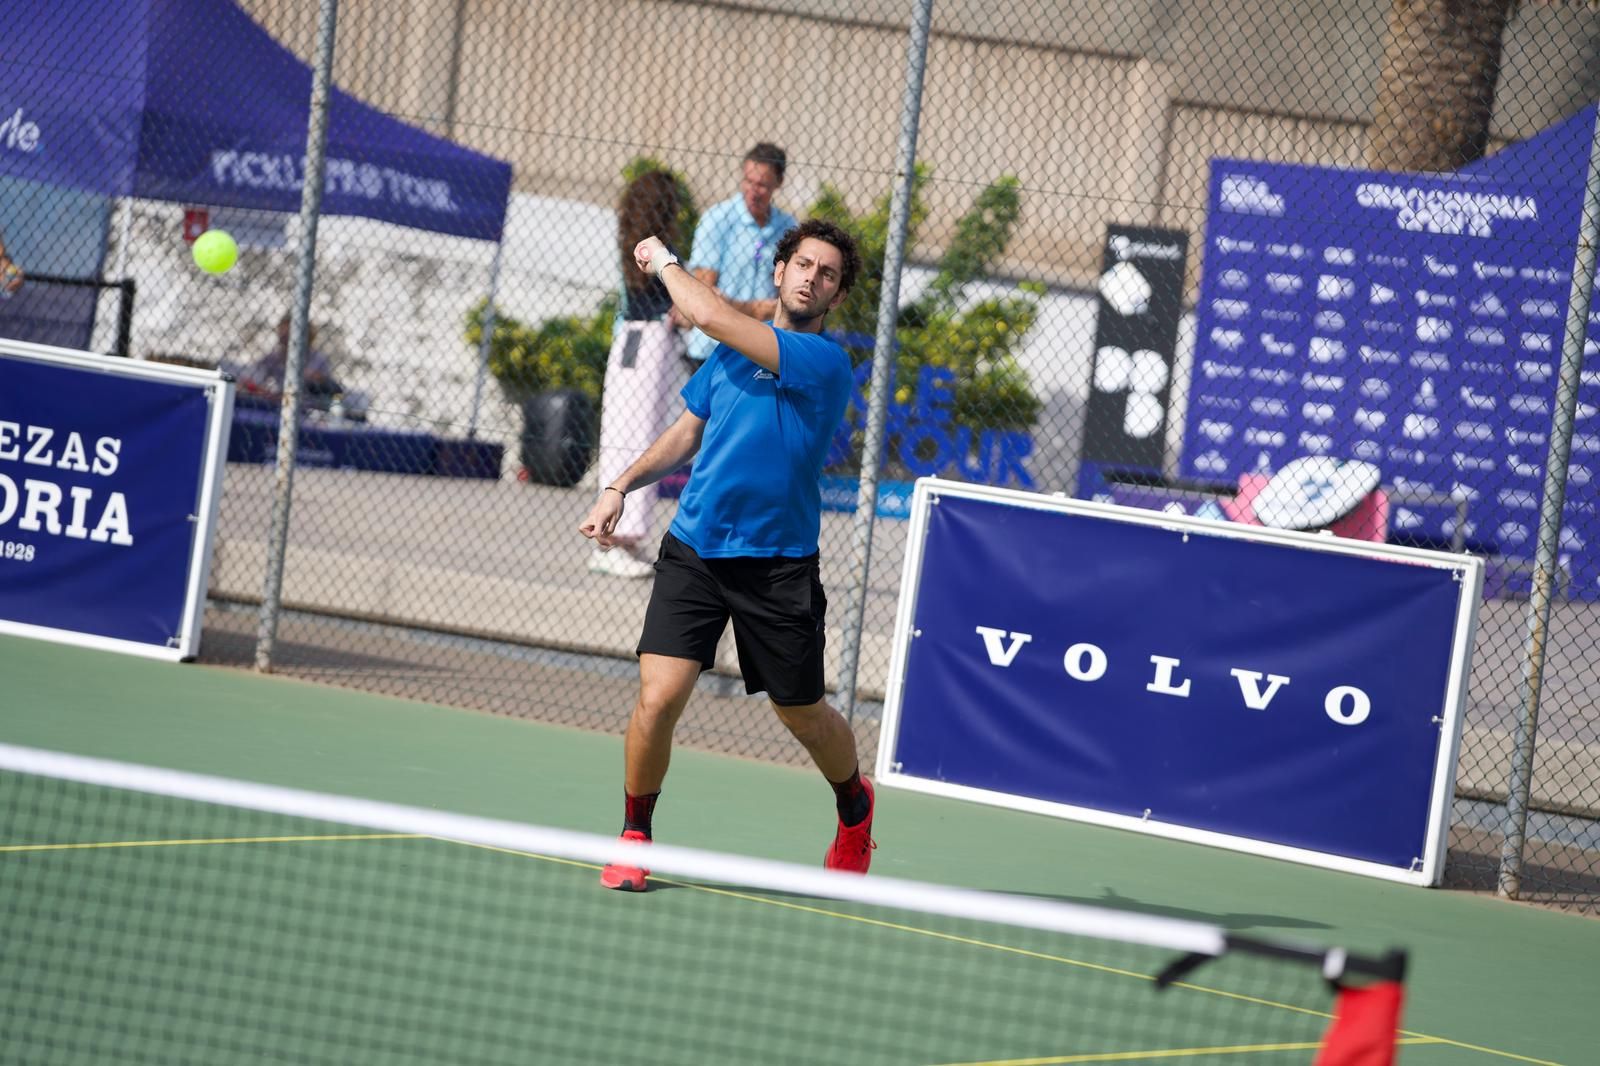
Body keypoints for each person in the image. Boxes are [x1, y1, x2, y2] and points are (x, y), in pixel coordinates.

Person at [577, 218, 872, 891]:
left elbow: (705, 310)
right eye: (802, 264)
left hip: (778, 564)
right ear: (779, 271)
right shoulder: (732, 355)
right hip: (697, 548)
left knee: (802, 714)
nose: (811, 277)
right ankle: (634, 836)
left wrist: (662, 261)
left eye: (826, 273)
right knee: (659, 697)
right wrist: (618, 487)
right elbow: (685, 433)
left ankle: (854, 804)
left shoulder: (825, 364)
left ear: (837, 295)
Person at [590, 170, 687, 579]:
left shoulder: (630, 239)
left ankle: (623, 539)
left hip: (639, 340)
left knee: (635, 437)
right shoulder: (649, 247)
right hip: (645, 340)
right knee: (632, 438)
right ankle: (612, 541)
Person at [680, 143, 797, 364]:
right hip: (714, 350)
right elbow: (705, 295)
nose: (752, 191)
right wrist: (755, 311)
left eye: (762, 185)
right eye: (748, 181)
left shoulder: (787, 226)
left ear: (778, 183)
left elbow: (787, 292)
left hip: (760, 349)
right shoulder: (717, 219)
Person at [241, 315, 339, 404]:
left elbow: (329, 388)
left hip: (307, 406)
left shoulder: (317, 359)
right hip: (275, 403)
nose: (283, 336)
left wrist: (316, 378)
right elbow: (250, 379)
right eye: (282, 332)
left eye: (288, 334)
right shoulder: (273, 358)